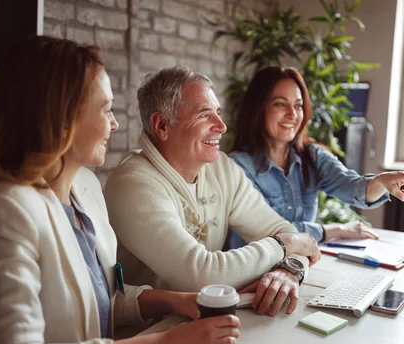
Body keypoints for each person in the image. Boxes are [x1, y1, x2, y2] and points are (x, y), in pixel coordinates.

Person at [0, 37, 240, 344]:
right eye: (105, 110)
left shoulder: (85, 189)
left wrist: (171, 300)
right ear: (62, 117)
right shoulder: (2, 215)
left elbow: (100, 298)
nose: (115, 125)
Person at [104, 66, 320, 318]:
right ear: (162, 125)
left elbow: (287, 233)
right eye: (205, 115)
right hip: (145, 336)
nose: (222, 126)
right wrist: (286, 245)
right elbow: (203, 276)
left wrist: (289, 270)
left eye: (217, 112)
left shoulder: (222, 169)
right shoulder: (133, 183)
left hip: (204, 323)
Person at [228, 66, 404, 249]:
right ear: (258, 109)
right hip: (253, 272)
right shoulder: (236, 167)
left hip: (297, 262)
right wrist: (333, 230)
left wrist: (383, 181)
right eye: (280, 104)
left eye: (298, 105)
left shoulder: (312, 155)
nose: (292, 114)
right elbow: (268, 233)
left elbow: (351, 186)